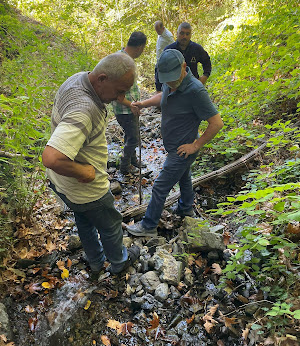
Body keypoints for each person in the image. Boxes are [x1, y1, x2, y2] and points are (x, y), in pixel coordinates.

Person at [42, 53, 140, 277]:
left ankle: (95, 262)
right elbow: (51, 157)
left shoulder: (78, 79)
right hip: (86, 189)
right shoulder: (85, 109)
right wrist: (83, 170)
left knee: (84, 220)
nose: (120, 97)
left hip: (62, 184)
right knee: (111, 223)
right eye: (119, 91)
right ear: (102, 78)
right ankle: (119, 262)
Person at [126, 49, 223, 237]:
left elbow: (217, 122)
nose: (169, 83)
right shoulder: (170, 83)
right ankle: (186, 208)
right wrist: (144, 104)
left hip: (183, 150)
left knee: (160, 186)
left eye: (172, 78)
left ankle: (148, 225)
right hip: (173, 147)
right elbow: (164, 97)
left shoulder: (196, 91)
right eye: (166, 79)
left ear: (184, 67)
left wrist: (195, 145)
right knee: (184, 177)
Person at [111, 31, 147, 175]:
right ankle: (125, 167)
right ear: (139, 47)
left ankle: (132, 160)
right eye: (143, 48)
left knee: (130, 135)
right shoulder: (123, 62)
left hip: (128, 108)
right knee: (133, 138)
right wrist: (130, 105)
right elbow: (117, 92)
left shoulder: (124, 57)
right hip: (125, 109)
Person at [154, 21, 174, 92]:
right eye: (156, 31)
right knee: (157, 81)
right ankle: (158, 98)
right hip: (158, 61)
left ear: (163, 28)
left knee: (162, 82)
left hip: (165, 62)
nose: (157, 32)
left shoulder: (168, 36)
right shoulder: (160, 34)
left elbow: (173, 48)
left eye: (158, 30)